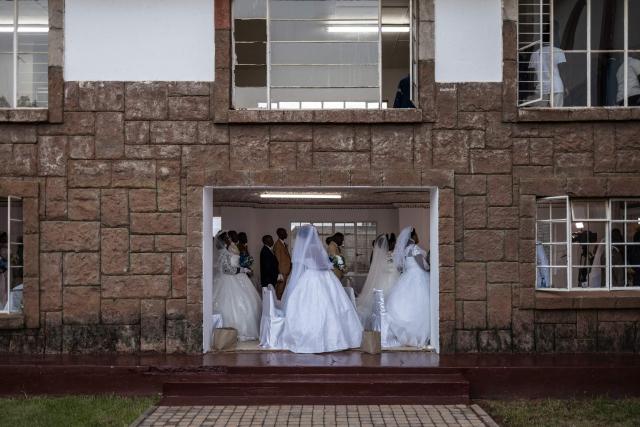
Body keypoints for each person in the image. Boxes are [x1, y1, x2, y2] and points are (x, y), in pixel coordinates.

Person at [279, 225, 362, 353]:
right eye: (316, 233)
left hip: (307, 278)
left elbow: (304, 266)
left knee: (306, 307)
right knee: (328, 305)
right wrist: (330, 263)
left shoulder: (302, 249)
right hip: (320, 277)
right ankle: (331, 339)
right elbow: (321, 265)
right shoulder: (314, 248)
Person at [385, 227, 431, 348]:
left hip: (408, 277)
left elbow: (401, 267)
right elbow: (422, 265)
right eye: (416, 234)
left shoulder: (405, 250)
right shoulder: (414, 248)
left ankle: (407, 335)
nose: (418, 237)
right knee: (420, 305)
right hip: (418, 277)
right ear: (412, 236)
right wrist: (430, 268)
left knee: (408, 304)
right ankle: (417, 335)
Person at [212, 230, 261, 341]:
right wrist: (242, 269)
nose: (229, 239)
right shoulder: (224, 253)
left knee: (249, 302)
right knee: (232, 304)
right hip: (229, 280)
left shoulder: (228, 251)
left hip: (239, 278)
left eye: (229, 237)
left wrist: (244, 266)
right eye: (227, 238)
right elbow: (226, 269)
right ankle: (231, 333)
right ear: (223, 241)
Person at [357, 234, 400, 327]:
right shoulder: (387, 255)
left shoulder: (383, 255)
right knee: (387, 300)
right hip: (389, 280)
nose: (394, 245)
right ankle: (386, 320)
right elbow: (386, 268)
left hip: (387, 279)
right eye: (393, 243)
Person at [527, 25, 567, 107]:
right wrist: (566, 86)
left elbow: (532, 75)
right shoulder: (558, 51)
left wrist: (530, 90)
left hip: (541, 88)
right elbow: (563, 71)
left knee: (541, 115)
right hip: (557, 86)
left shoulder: (535, 54)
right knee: (558, 114)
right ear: (554, 38)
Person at [273, 228, 292, 299]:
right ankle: (278, 305)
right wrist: (279, 273)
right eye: (284, 232)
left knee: (283, 289)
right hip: (282, 271)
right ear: (280, 234)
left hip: (286, 270)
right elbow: (277, 260)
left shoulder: (282, 244)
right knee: (280, 290)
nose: (286, 234)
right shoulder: (278, 245)